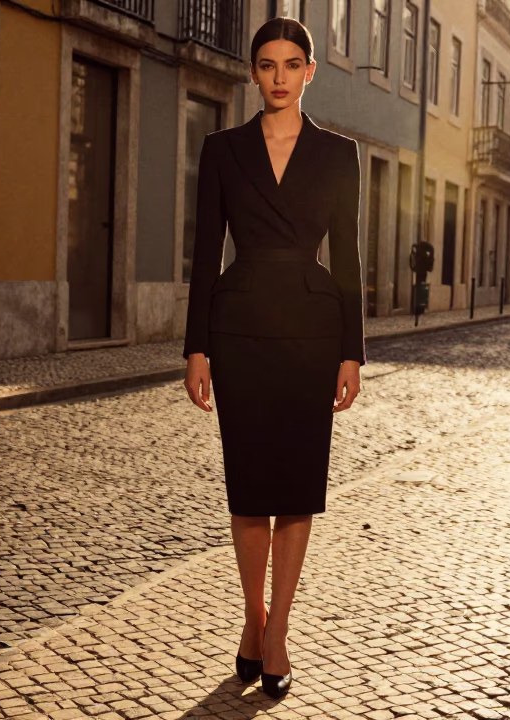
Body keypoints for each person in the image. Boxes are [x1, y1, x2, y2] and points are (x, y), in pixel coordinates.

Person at [181, 16, 365, 701]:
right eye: (267, 65)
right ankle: (252, 618)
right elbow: (204, 254)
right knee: (250, 487)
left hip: (313, 336)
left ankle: (278, 630)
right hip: (239, 331)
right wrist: (195, 345)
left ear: (309, 72)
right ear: (253, 73)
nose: (279, 76)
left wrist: (353, 352)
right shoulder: (222, 150)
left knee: (296, 488)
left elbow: (346, 257)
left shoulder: (338, 155)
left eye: (292, 64)